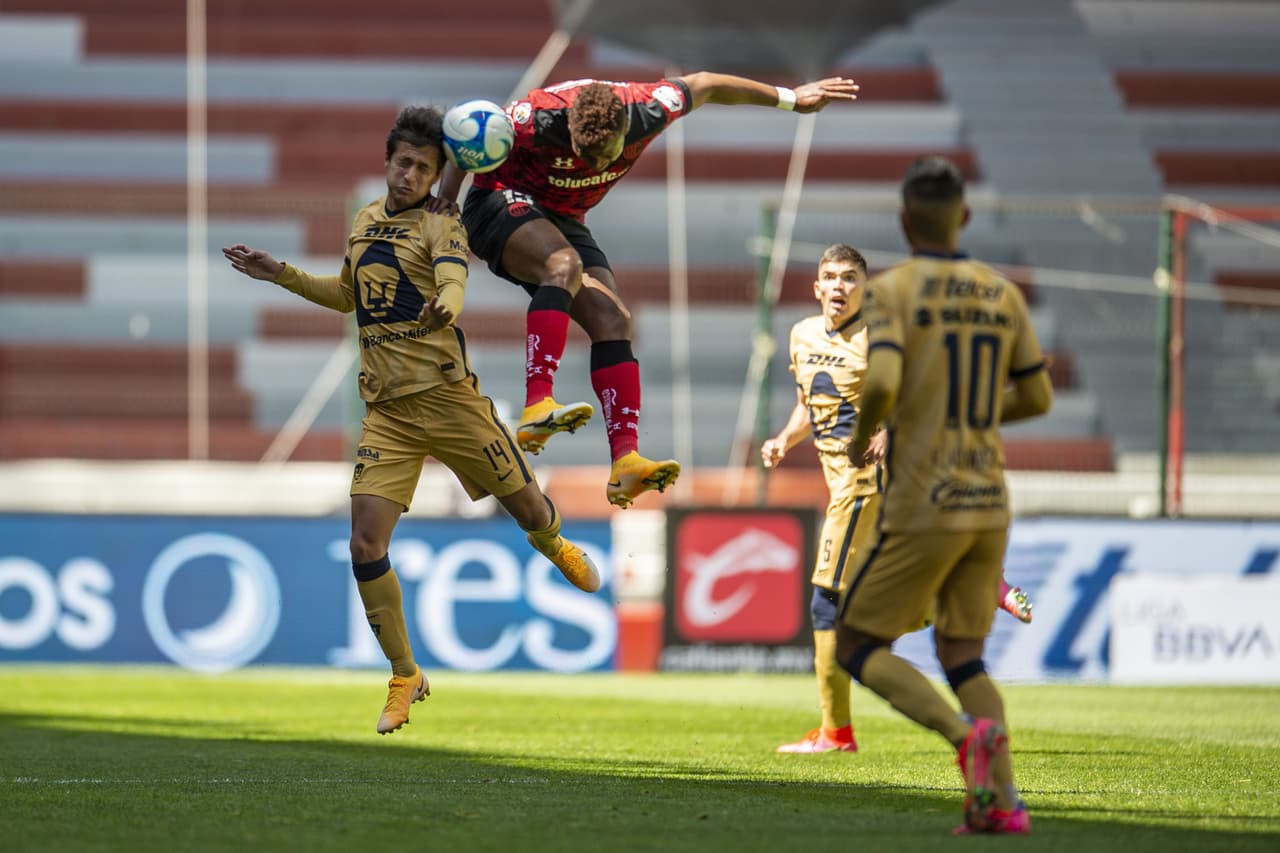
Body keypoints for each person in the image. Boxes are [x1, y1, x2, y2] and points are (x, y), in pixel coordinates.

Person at [221, 105, 602, 736]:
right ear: (389, 161)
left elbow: (453, 284)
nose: (410, 175)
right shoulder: (367, 219)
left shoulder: (442, 224)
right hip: (389, 414)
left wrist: (442, 312)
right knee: (364, 545)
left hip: (451, 401)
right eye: (403, 162)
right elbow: (347, 295)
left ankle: (554, 542)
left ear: (437, 175)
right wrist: (280, 274)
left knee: (530, 513)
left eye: (424, 168)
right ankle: (405, 674)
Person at [438, 72, 860, 508]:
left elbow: (708, 83)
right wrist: (446, 202)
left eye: (606, 155)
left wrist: (790, 98)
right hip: (500, 203)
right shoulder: (537, 117)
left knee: (614, 320)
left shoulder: (650, 107)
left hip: (563, 219)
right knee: (564, 265)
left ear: (625, 128)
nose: (596, 166)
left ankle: (626, 463)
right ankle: (538, 404)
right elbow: (470, 132)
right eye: (585, 154)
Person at [833, 157, 1052, 834]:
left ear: (904, 221)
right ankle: (1003, 804)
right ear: (964, 216)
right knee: (965, 654)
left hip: (926, 499)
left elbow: (881, 381)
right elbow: (1038, 396)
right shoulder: (1000, 292)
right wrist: (973, 415)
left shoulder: (894, 291)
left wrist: (867, 432)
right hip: (988, 497)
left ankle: (963, 736)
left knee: (855, 644)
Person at [762, 244, 1034, 756]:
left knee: (827, 604)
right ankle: (973, 589)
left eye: (850, 278)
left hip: (862, 486)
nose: (839, 286)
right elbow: (811, 402)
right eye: (830, 277)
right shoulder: (801, 335)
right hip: (847, 484)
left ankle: (835, 733)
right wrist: (783, 439)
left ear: (865, 288)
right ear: (816, 287)